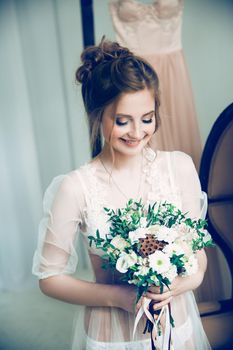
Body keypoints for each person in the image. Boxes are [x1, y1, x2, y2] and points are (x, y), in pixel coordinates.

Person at [32, 37, 211, 350]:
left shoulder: (179, 168)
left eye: (147, 119)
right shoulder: (76, 187)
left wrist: (176, 286)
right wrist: (119, 297)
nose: (137, 132)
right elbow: (49, 279)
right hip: (113, 334)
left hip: (176, 325)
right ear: (97, 115)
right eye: (122, 121)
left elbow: (198, 259)